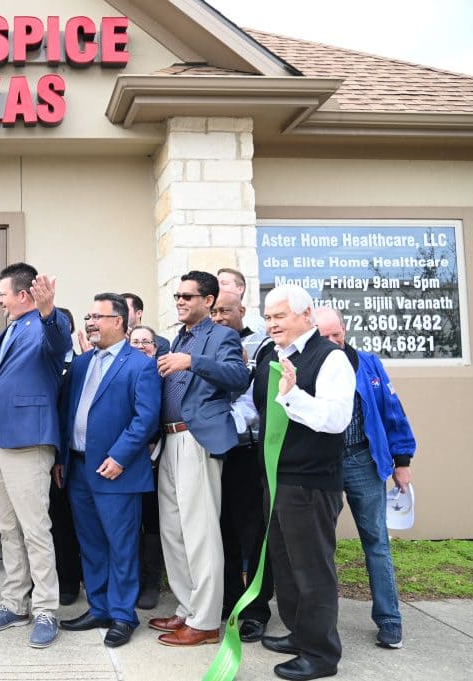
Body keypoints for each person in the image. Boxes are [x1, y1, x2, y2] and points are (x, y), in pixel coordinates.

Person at [253, 285, 354, 681]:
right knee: (287, 564)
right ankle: (300, 634)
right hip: (277, 479)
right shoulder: (270, 355)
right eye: (267, 316)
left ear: (306, 314)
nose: (272, 323)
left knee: (312, 569)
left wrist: (293, 396)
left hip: (311, 484)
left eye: (279, 315)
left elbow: (336, 419)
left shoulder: (331, 359)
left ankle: (321, 654)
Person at [0, 262, 71, 649]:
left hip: (30, 441)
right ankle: (15, 603)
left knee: (34, 529)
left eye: (3, 293)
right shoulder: (8, 329)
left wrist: (49, 311)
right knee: (7, 529)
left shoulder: (49, 322)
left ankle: (46, 609)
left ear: (24, 294)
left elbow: (60, 343)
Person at [151, 271, 251, 648]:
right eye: (177, 295)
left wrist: (191, 361)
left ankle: (207, 621)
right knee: (173, 530)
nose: (180, 301)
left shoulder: (221, 335)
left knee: (201, 531)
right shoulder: (179, 337)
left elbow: (238, 376)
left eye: (188, 296)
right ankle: (187, 607)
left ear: (208, 301)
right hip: (170, 440)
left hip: (198, 438)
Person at [57, 293, 161, 648]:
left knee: (121, 545)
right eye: (88, 316)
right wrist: (62, 458)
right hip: (79, 468)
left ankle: (122, 615)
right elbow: (69, 413)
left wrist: (119, 457)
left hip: (116, 470)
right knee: (92, 545)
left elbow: (145, 418)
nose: (90, 323)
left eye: (97, 317)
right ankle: (99, 607)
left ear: (119, 321)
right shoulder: (83, 364)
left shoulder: (140, 364)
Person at [314, 306, 416, 650]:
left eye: (336, 335)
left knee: (376, 542)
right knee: (318, 546)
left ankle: (389, 619)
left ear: (345, 330)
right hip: (323, 464)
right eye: (323, 336)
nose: (331, 342)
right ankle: (319, 622)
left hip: (363, 460)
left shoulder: (369, 364)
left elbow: (392, 410)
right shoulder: (309, 365)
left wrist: (402, 461)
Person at [210, 291, 275, 643]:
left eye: (226, 310)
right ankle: (229, 599)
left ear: (242, 311)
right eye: (215, 310)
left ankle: (255, 609)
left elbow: (253, 402)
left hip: (246, 450)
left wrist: (215, 423)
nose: (219, 316)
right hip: (214, 452)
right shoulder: (207, 342)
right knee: (221, 531)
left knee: (252, 533)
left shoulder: (261, 345)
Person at [128, 325, 166, 610]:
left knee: (152, 521)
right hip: (128, 457)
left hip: (158, 457)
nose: (141, 345)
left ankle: (151, 582)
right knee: (130, 523)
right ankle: (133, 580)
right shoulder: (123, 372)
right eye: (136, 341)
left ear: (155, 346)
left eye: (146, 341)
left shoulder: (165, 373)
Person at [50, 306, 83, 605]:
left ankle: (78, 579)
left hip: (78, 451)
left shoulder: (82, 361)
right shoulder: (46, 359)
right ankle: (61, 579)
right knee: (56, 520)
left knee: (76, 521)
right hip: (51, 448)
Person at [217, 268, 266, 339]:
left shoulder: (254, 322)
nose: (218, 287)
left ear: (240, 289)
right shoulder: (210, 319)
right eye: (217, 284)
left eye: (224, 283)